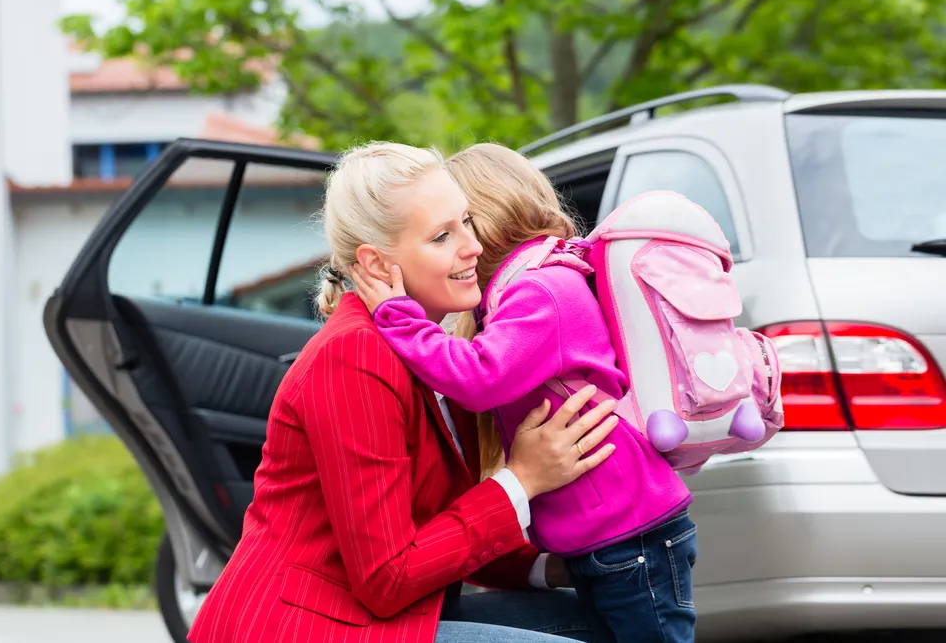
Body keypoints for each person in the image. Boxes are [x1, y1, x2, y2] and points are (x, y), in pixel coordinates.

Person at [186, 142, 620, 643]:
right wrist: (521, 481)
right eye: (441, 236)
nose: (472, 247)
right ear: (375, 264)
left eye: (467, 222)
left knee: (608, 617)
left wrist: (549, 568)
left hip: (381, 617)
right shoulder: (354, 358)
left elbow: (438, 532)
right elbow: (387, 577)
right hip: (305, 628)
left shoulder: (439, 351)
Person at [351, 142, 697, 643]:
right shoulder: (534, 284)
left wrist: (398, 317)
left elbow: (478, 378)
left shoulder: (542, 290)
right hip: (615, 535)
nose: (459, 244)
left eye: (458, 226)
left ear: (483, 220)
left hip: (631, 536)